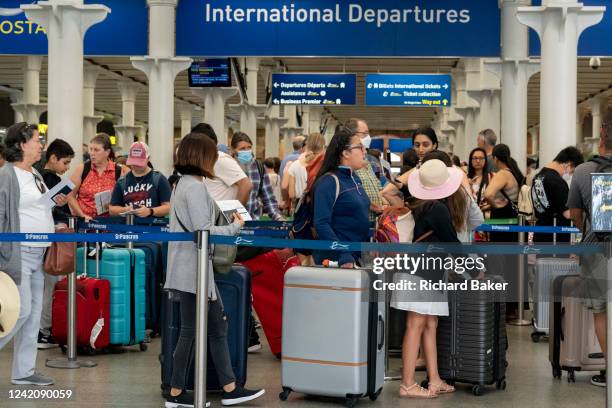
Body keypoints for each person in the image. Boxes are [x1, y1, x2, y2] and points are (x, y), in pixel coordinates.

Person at [163, 132, 265, 408]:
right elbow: (203, 231)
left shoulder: (183, 184)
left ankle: (228, 387)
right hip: (193, 270)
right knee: (192, 331)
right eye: (212, 155)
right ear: (201, 157)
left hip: (191, 268)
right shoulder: (194, 187)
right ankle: (177, 392)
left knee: (212, 327)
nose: (215, 160)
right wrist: (234, 226)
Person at [0, 122, 69, 386]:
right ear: (21, 144)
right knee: (20, 311)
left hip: (40, 254)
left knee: (33, 314)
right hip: (16, 254)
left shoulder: (36, 175)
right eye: (36, 140)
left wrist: (54, 201)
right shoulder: (6, 176)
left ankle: (24, 371)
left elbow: (37, 207)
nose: (41, 144)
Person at [391, 159, 463, 399]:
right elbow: (453, 244)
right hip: (424, 272)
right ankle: (407, 384)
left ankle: (434, 379)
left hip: (424, 270)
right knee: (417, 323)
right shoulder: (437, 209)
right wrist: (474, 271)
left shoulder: (418, 205)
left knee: (429, 323)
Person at [567, 122, 612, 388]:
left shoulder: (583, 171)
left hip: (596, 251)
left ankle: (610, 369)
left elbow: (575, 215)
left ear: (600, 142)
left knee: (601, 312)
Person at [311, 127, 370, 268]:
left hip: (356, 255)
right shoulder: (329, 182)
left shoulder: (354, 178)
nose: (364, 151)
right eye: (360, 147)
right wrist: (342, 253)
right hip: (336, 260)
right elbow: (321, 223)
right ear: (345, 153)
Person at [37, 139, 75, 350]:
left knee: (42, 286)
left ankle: (41, 331)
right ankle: (44, 331)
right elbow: (48, 208)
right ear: (53, 158)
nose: (67, 167)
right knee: (52, 284)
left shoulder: (36, 176)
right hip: (52, 239)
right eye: (66, 162)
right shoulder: (50, 179)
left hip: (39, 240)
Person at [484, 144, 525, 318]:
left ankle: (502, 305)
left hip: (501, 220)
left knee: (499, 263)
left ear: (495, 158)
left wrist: (495, 205)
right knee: (512, 262)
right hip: (515, 221)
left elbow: (488, 194)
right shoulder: (516, 172)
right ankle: (513, 306)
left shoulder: (502, 174)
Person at [68, 133, 128, 221]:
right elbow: (70, 195)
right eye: (90, 149)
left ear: (107, 152)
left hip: (111, 226)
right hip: (85, 225)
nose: (92, 153)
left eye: (96, 150)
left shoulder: (121, 171)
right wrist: (82, 215)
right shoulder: (82, 169)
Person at [531, 146, 584, 244]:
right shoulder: (557, 182)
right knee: (557, 260)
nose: (570, 175)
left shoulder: (537, 177)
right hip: (555, 237)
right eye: (572, 171)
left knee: (541, 260)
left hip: (540, 233)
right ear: (568, 164)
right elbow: (568, 214)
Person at [192, 123, 252, 206]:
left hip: (220, 217)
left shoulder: (219, 158)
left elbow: (246, 185)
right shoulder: (206, 160)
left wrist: (235, 212)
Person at [109, 142, 172, 218]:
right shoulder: (122, 181)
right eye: (134, 162)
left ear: (148, 158)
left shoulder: (159, 179)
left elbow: (168, 207)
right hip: (128, 227)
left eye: (139, 163)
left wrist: (150, 211)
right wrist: (127, 209)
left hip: (152, 228)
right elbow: (112, 209)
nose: (136, 165)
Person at [230, 132, 283, 221]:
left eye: (249, 147)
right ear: (233, 150)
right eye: (242, 149)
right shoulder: (228, 167)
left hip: (253, 223)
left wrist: (278, 217)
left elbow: (268, 198)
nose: (246, 151)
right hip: (232, 223)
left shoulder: (258, 167)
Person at [381, 127, 439, 206]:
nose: (421, 149)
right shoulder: (418, 168)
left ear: (434, 145)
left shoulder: (440, 166)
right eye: (417, 145)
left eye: (425, 145)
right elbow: (387, 192)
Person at [344, 119, 385, 221]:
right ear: (351, 134)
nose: (368, 138)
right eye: (365, 134)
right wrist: (374, 207)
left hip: (372, 221)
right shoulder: (348, 162)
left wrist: (384, 202)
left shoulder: (367, 160)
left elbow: (378, 186)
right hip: (358, 221)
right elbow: (352, 193)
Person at [287, 133, 326, 206]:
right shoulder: (325, 165)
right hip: (320, 204)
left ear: (307, 146)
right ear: (323, 147)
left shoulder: (295, 165)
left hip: (301, 205)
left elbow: (291, 194)